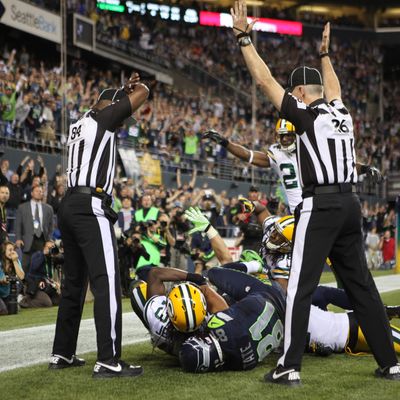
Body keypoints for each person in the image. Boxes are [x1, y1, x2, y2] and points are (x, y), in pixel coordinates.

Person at [230, 2, 399, 384]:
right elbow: (333, 87)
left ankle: (289, 366)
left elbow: (264, 81)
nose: (292, 96)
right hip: (350, 204)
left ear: (302, 92)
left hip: (320, 205)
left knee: (301, 287)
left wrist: (243, 38)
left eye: (296, 91)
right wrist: (324, 54)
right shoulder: (342, 112)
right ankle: (391, 362)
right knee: (363, 287)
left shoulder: (305, 115)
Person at [49, 73, 150, 378]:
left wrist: (119, 93)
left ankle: (62, 353)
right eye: (120, 113)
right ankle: (108, 358)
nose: (122, 123)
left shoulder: (79, 124)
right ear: (111, 105)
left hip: (68, 205)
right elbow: (144, 92)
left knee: (74, 284)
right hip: (90, 205)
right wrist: (128, 92)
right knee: (106, 280)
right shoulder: (104, 117)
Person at [15, 185, 54, 273]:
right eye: (37, 191)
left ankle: (38, 286)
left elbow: (51, 227)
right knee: (25, 266)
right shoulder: (22, 207)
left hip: (42, 241)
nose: (39, 193)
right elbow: (18, 225)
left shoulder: (49, 208)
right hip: (27, 240)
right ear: (32, 193)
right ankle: (23, 286)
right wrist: (18, 238)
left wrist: (49, 240)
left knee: (40, 266)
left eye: (41, 191)